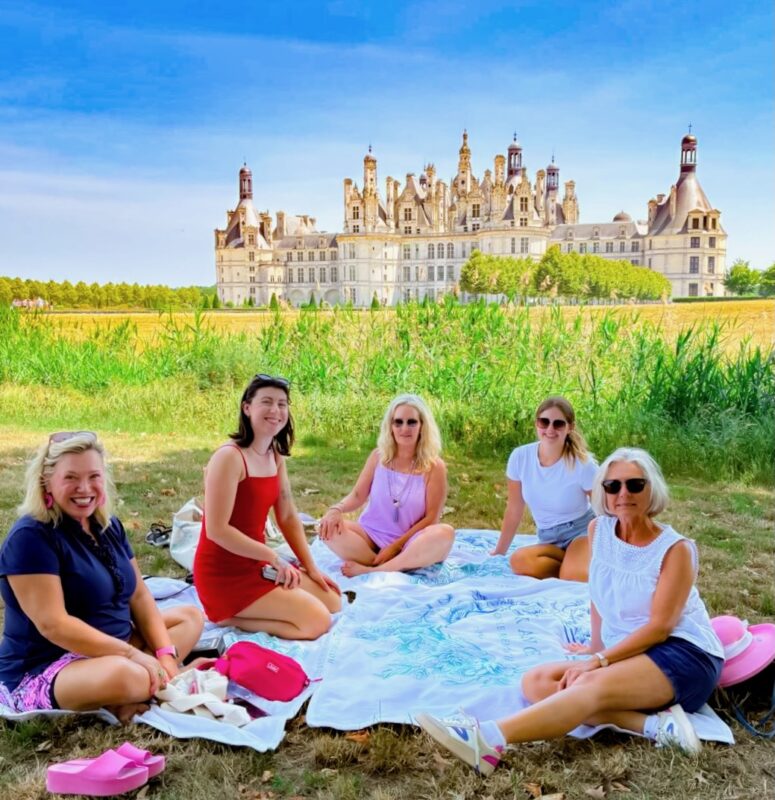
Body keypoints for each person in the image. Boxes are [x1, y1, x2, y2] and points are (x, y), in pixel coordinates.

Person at [416, 447, 724, 774]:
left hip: (683, 655)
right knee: (536, 682)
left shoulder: (676, 550)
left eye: (635, 485)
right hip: (632, 652)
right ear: (602, 492)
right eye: (612, 486)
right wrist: (596, 645)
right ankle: (657, 728)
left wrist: (598, 661)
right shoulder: (599, 532)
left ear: (652, 490)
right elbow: (598, 591)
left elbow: (660, 628)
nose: (623, 494)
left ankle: (489, 738)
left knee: (584, 686)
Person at [0, 432, 204, 723]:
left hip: (115, 646)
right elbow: (54, 625)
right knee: (127, 675)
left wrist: (166, 657)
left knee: (191, 618)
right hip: (49, 665)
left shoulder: (106, 525)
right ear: (47, 480)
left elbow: (139, 595)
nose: (84, 488)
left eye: (93, 476)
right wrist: (134, 656)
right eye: (71, 477)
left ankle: (138, 687)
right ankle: (133, 688)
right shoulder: (30, 537)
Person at [193, 374, 341, 639]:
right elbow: (217, 530)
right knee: (317, 622)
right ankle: (228, 617)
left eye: (282, 404)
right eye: (267, 402)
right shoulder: (229, 457)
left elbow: (286, 515)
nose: (276, 411)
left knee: (333, 601)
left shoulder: (274, 454)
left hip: (258, 564)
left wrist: (311, 568)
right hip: (224, 575)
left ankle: (261, 604)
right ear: (247, 407)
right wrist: (275, 558)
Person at [319, 393, 454, 576]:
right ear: (390, 427)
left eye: (411, 422)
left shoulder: (434, 467)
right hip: (371, 536)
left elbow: (431, 518)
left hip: (410, 542)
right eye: (398, 422)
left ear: (422, 426)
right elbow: (358, 495)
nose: (404, 428)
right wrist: (335, 509)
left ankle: (374, 569)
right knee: (327, 527)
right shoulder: (378, 457)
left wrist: (395, 547)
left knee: (445, 533)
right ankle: (396, 565)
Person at [491, 396, 597, 581]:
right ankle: (573, 565)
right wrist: (499, 552)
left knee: (572, 576)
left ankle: (577, 565)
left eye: (558, 424)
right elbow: (514, 509)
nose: (550, 429)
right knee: (519, 561)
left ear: (570, 427)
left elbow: (605, 509)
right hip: (548, 538)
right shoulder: (520, 457)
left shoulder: (583, 464)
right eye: (544, 422)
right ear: (536, 424)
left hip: (580, 533)